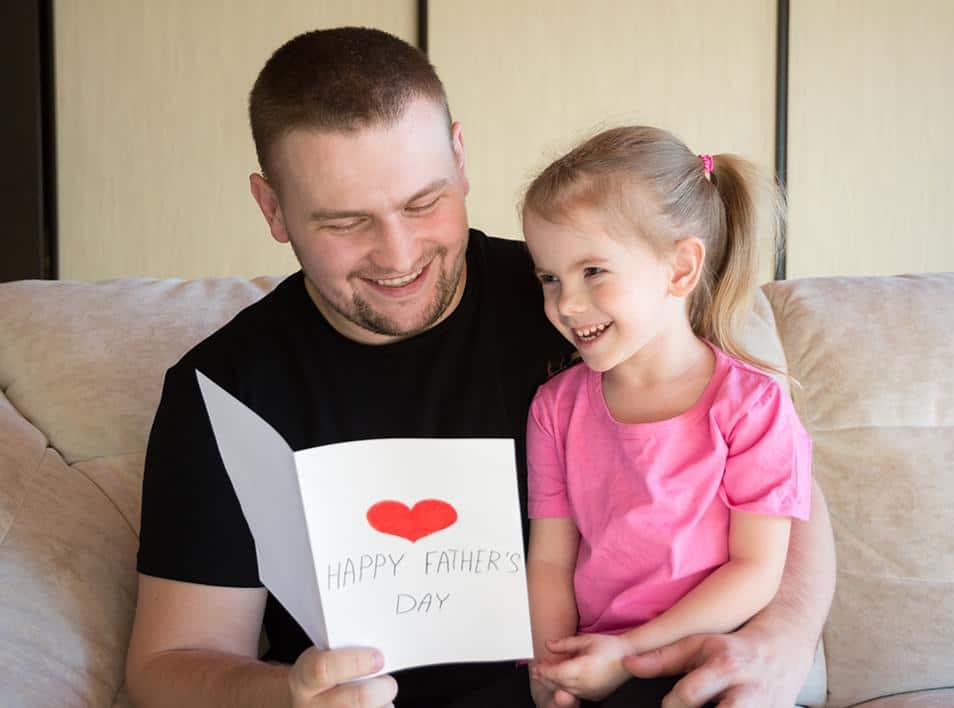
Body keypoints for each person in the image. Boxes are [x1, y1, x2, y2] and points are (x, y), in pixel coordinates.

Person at [124, 27, 836, 708]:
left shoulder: (576, 301)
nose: (398, 255)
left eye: (424, 202)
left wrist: (784, 637)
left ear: (461, 157)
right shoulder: (224, 389)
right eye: (345, 222)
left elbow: (773, 476)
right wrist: (289, 695)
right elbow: (166, 666)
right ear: (272, 208)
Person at [519, 127, 812, 708]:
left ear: (680, 269)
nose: (566, 305)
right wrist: (551, 663)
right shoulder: (555, 409)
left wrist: (631, 654)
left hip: (707, 665)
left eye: (593, 272)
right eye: (549, 278)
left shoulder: (752, 405)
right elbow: (551, 558)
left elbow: (756, 569)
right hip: (596, 665)